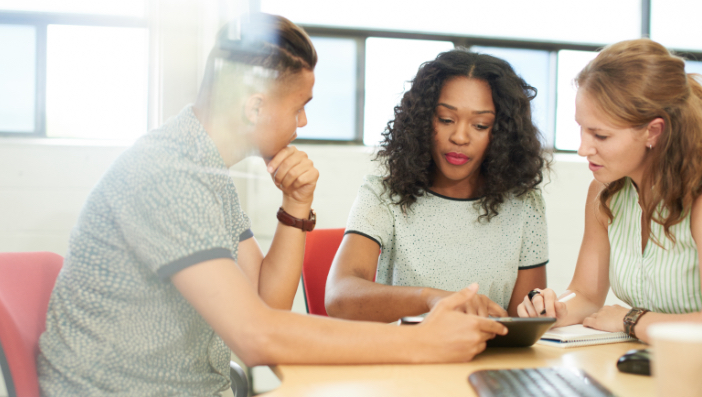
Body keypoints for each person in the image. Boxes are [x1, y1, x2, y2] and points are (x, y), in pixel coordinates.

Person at [36, 14, 507, 396]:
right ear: (255, 107)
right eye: (299, 105)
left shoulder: (204, 169)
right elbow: (257, 337)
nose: (302, 121)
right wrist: (419, 342)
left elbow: (268, 302)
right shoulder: (166, 175)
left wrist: (296, 205)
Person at [517, 38, 702, 364]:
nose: (583, 148)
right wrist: (555, 307)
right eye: (581, 129)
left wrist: (630, 320)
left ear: (654, 132)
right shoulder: (605, 192)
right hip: (657, 371)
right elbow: (588, 295)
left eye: (600, 135)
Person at [325, 49, 550, 323]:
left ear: (502, 132)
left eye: (480, 125)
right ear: (422, 119)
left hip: (486, 360)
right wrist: (430, 299)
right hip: (406, 358)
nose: (459, 137)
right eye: (446, 119)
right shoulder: (384, 196)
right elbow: (339, 297)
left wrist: (542, 308)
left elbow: (524, 323)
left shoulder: (525, 205)